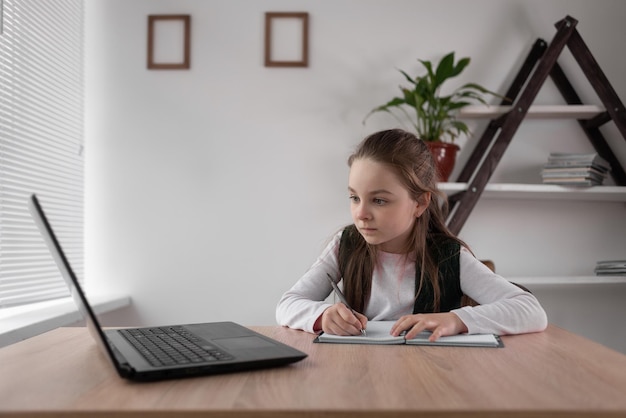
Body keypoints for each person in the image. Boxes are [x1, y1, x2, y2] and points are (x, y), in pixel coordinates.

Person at [276, 129, 547, 341]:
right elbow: (287, 304)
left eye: (379, 200)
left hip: (433, 376)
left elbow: (530, 310)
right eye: (354, 197)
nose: (361, 213)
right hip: (360, 372)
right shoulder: (345, 245)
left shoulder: (449, 255)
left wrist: (455, 320)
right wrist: (322, 315)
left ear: (420, 203)